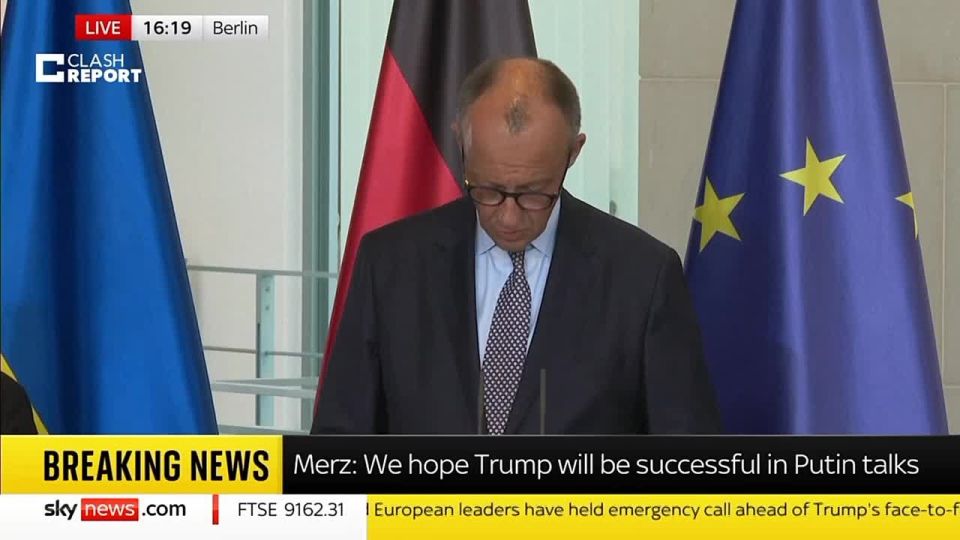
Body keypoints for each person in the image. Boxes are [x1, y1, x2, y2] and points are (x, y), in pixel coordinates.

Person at [312, 58, 721, 434]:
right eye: (487, 190)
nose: (508, 218)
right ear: (461, 143)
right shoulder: (391, 265)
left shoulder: (642, 277)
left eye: (533, 193)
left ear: (573, 152)